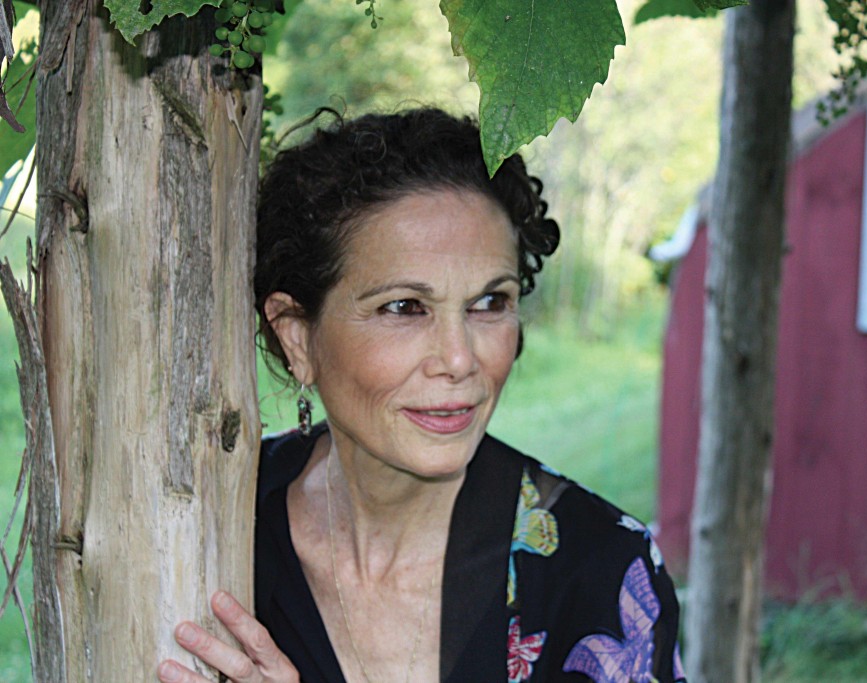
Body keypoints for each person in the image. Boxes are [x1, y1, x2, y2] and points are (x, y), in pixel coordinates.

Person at [157, 108, 685, 683]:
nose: (460, 359)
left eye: (490, 303)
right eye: (405, 308)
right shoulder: (209, 523)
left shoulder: (598, 573)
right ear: (297, 337)